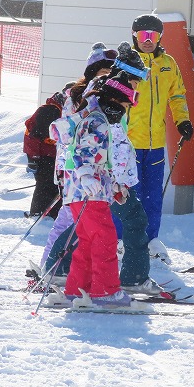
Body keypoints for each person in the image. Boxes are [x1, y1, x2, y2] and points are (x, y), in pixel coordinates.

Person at [50, 67, 143, 307]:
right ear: (115, 101)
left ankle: (78, 289)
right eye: (125, 106)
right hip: (88, 192)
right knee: (105, 238)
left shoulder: (95, 117)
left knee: (88, 241)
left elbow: (100, 160)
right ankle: (105, 291)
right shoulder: (97, 121)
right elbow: (83, 152)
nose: (124, 111)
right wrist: (87, 176)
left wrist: (114, 186)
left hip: (81, 191)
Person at [128, 14, 193, 264]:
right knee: (129, 195)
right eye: (143, 35)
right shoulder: (127, 63)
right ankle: (124, 241)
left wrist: (182, 121)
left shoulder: (167, 64)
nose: (148, 40)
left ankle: (151, 241)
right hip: (129, 143)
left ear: (160, 37)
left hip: (155, 143)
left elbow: (177, 96)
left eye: (153, 35)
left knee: (153, 196)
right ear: (134, 36)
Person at [23, 86, 69, 219]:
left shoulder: (64, 111)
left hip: (56, 156)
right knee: (45, 185)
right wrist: (33, 158)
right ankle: (37, 214)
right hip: (43, 156)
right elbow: (34, 135)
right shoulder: (49, 110)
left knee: (56, 185)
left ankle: (53, 215)